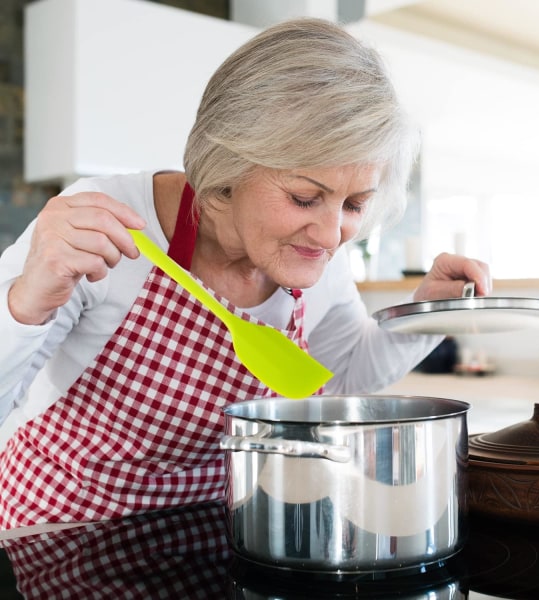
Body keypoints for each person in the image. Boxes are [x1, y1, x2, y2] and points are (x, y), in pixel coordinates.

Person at [0, 17, 491, 531]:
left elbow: (342, 374)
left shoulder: (314, 250)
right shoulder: (100, 223)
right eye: (305, 197)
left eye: (353, 204)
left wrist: (426, 311)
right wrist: (26, 302)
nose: (329, 235)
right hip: (66, 539)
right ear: (228, 162)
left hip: (221, 531)